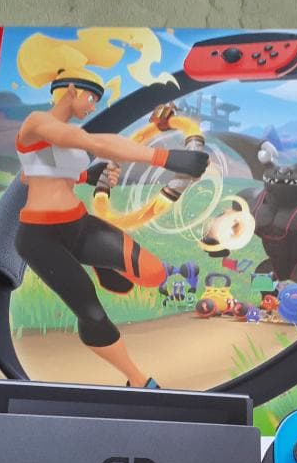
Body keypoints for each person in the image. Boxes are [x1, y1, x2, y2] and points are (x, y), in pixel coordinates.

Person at [14, 72, 208, 387]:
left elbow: (31, 173)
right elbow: (96, 143)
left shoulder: (63, 136)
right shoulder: (37, 122)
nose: (92, 107)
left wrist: (86, 177)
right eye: (91, 98)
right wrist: (165, 157)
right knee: (92, 313)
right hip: (40, 238)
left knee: (153, 273)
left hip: (78, 224)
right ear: (71, 90)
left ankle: (98, 263)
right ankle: (137, 379)